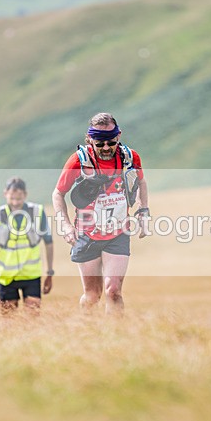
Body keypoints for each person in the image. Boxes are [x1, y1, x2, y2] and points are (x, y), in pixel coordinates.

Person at [52, 112, 149, 313]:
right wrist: (66, 226)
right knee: (92, 296)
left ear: (118, 136)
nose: (106, 147)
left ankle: (116, 337)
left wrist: (143, 210)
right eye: (100, 143)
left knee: (113, 291)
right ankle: (87, 331)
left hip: (118, 233)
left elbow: (140, 182)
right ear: (90, 140)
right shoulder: (78, 161)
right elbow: (58, 193)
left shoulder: (130, 157)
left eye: (111, 142)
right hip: (86, 235)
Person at [0, 177, 54, 312]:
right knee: (9, 321)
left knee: (33, 317)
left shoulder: (37, 212)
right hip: (6, 277)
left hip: (31, 275)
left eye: (19, 198)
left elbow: (49, 243)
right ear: (5, 194)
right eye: (12, 198)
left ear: (25, 195)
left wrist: (50, 273)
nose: (15, 202)